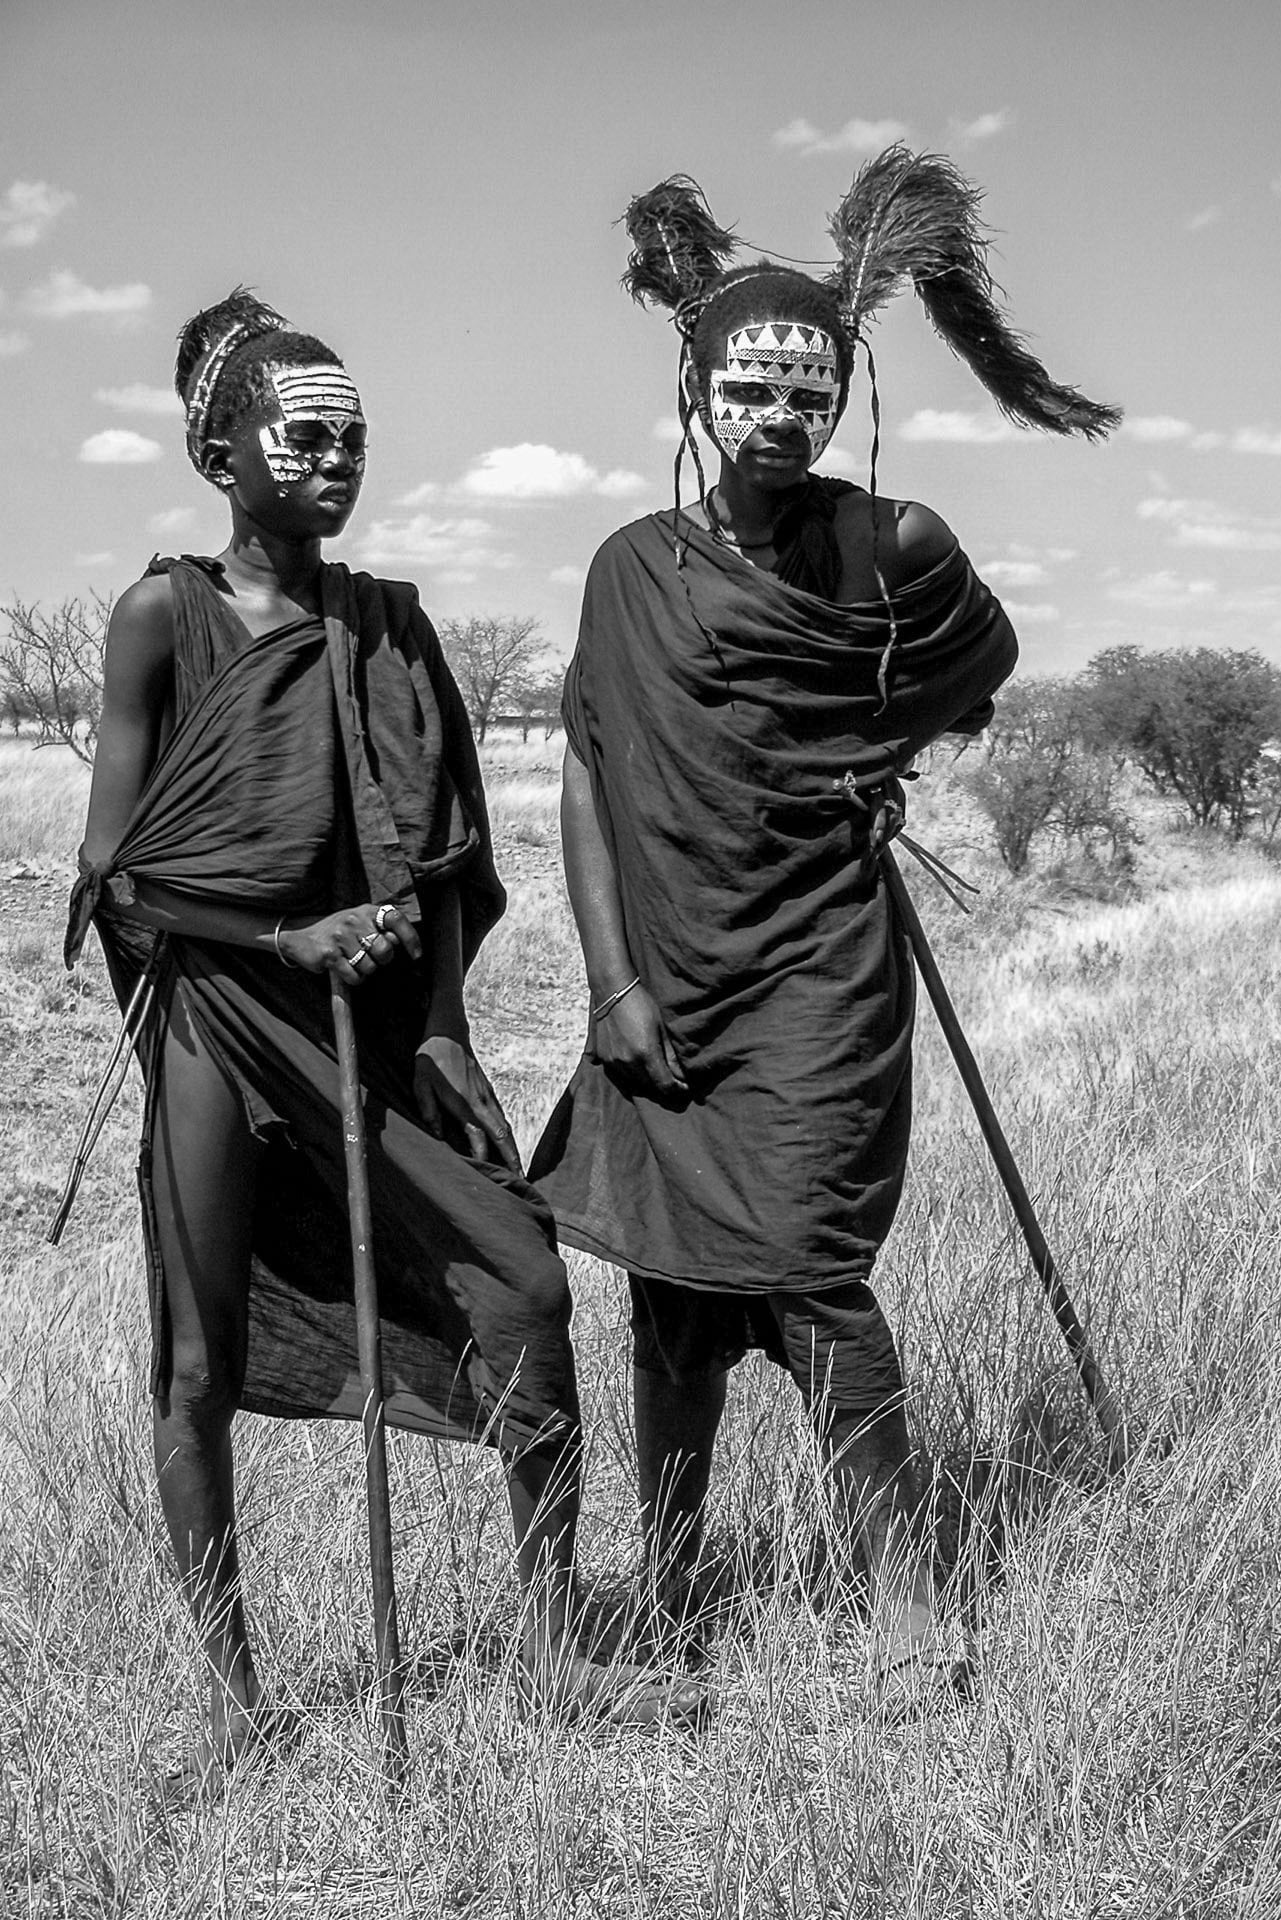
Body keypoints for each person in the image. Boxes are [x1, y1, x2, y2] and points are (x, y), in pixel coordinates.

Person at [69, 290, 690, 1784]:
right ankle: (237, 1698)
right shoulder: (166, 616)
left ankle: (555, 1645)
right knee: (200, 1359)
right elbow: (117, 877)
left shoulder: (390, 623)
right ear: (225, 452)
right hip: (221, 1018)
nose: (338, 460)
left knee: (526, 1285)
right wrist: (281, 937)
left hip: (371, 1025)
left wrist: (444, 1029)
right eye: (307, 436)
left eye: (355, 437)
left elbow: (439, 854)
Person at [530, 149, 1119, 1696]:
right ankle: (672, 1581)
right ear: (700, 400)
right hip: (665, 976)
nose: (780, 419)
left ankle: (911, 1610)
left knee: (805, 1269)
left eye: (810, 394)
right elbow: (588, 778)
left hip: (818, 968)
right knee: (667, 1287)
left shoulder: (895, 543)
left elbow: (977, 662)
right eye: (753, 391)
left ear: (843, 399)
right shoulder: (630, 567)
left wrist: (878, 754)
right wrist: (609, 985)